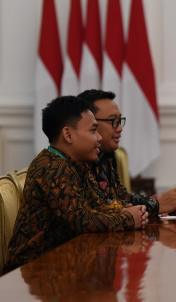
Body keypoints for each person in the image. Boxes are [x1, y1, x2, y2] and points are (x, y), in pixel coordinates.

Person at [3, 96, 147, 273]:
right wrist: (128, 218)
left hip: (64, 263)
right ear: (68, 135)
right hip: (35, 271)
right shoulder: (52, 167)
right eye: (93, 131)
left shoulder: (76, 164)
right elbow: (83, 221)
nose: (99, 137)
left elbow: (100, 206)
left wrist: (138, 211)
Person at [77, 89, 176, 217]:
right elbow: (94, 213)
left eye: (120, 121)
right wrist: (156, 205)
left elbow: (121, 198)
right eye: (112, 121)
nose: (119, 128)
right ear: (90, 122)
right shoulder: (75, 160)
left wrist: (161, 204)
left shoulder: (106, 154)